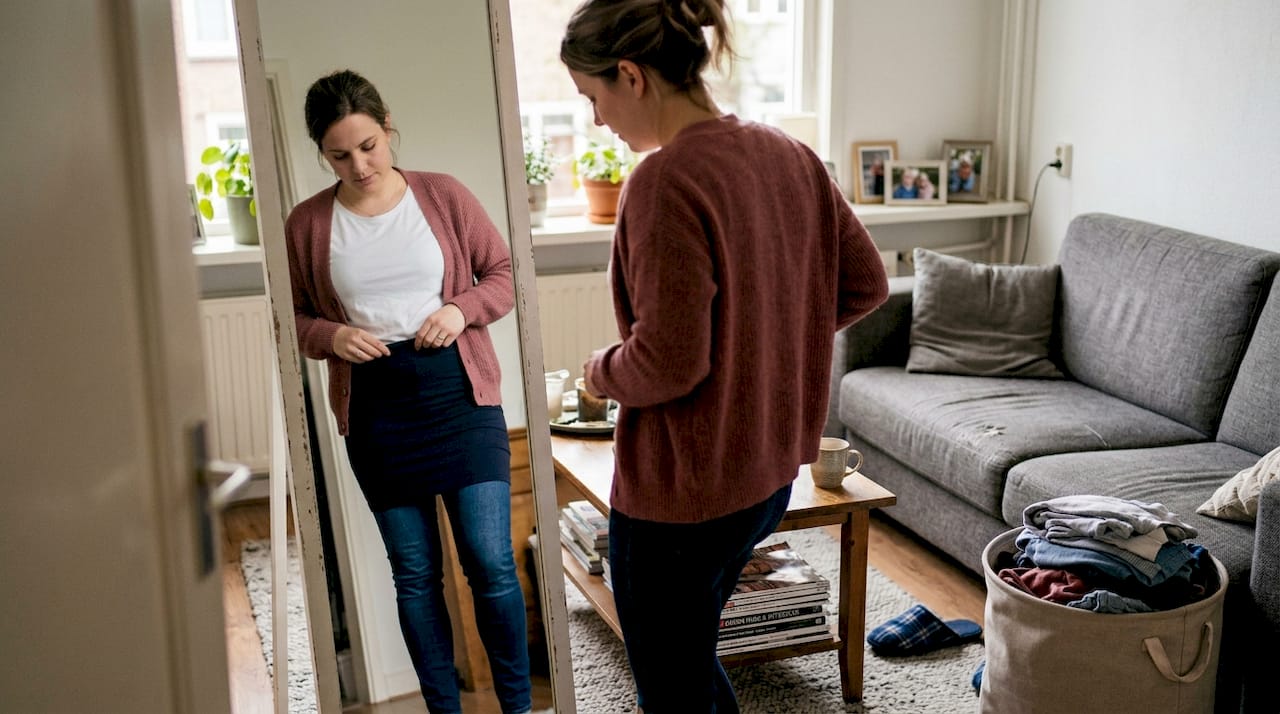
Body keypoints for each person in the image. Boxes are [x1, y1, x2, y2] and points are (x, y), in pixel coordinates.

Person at [560, 2, 890, 711]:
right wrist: (770, 339)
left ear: (630, 75)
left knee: (672, 682)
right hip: (765, 478)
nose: (596, 120)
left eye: (593, 98)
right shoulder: (789, 154)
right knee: (691, 659)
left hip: (683, 496)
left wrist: (599, 370)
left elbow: (668, 363)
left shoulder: (665, 180)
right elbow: (866, 283)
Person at [285, 69, 537, 714]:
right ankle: (443, 709)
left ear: (387, 128)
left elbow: (504, 274)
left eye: (368, 145)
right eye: (340, 154)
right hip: (376, 408)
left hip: (460, 393)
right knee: (417, 574)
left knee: (490, 562)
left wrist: (461, 309)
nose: (359, 164)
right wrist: (333, 337)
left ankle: (516, 707)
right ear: (321, 151)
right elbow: (294, 320)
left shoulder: (443, 195)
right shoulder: (308, 223)